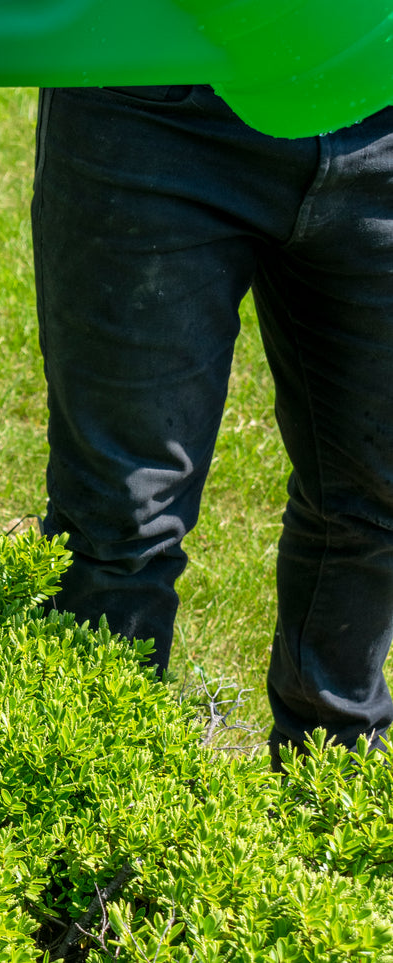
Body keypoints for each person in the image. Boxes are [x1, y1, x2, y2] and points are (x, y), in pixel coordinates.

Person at [32, 84, 393, 770]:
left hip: (380, 100)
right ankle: (91, 800)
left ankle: (331, 788)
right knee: (119, 519)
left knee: (376, 500)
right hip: (151, 100)